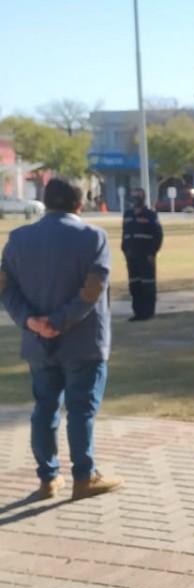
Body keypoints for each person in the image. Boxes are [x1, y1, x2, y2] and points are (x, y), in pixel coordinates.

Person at [0, 179, 123, 500]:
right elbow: (93, 288)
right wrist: (57, 322)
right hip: (83, 341)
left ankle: (48, 478)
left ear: (46, 202)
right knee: (81, 410)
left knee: (44, 409)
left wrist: (31, 321)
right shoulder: (92, 237)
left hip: (38, 342)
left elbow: (5, 287)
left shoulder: (19, 238)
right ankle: (83, 477)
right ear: (79, 205)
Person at [121, 186, 163, 322]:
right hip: (131, 256)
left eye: (138, 196)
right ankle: (138, 312)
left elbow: (158, 235)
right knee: (135, 284)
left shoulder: (150, 215)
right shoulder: (128, 214)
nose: (135, 199)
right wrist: (124, 249)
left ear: (143, 198)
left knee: (147, 284)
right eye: (134, 196)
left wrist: (152, 252)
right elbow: (125, 233)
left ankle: (148, 312)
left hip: (146, 255)